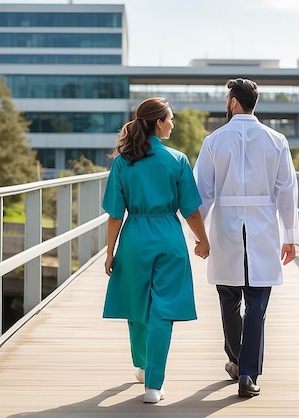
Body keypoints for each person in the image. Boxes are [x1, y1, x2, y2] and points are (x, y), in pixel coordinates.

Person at [193, 78, 299, 398]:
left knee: (228, 298)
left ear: (234, 102)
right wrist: (290, 235)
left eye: (228, 98)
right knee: (256, 303)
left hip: (226, 226)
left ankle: (238, 361)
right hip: (263, 226)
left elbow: (202, 193)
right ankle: (248, 374)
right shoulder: (276, 140)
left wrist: (199, 235)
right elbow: (287, 191)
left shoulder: (214, 140)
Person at [102, 97, 210, 404]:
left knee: (136, 306)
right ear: (158, 123)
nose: (173, 124)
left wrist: (110, 252)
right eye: (170, 119)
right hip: (168, 237)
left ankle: (142, 364)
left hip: (134, 236)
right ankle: (153, 384)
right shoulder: (177, 160)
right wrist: (202, 239)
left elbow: (114, 215)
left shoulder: (123, 162)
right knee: (163, 310)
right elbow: (191, 210)